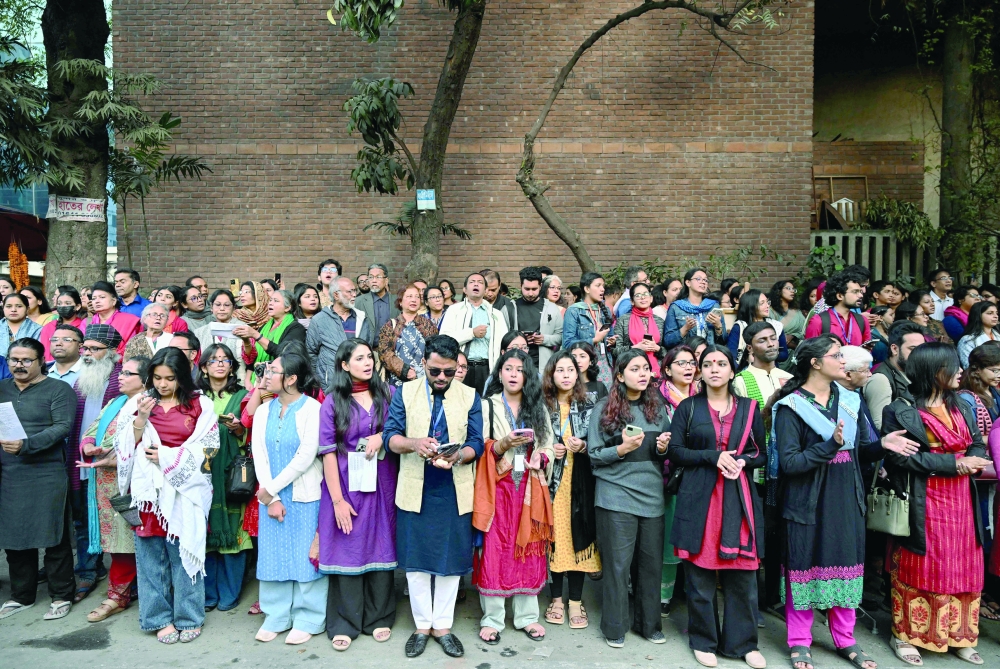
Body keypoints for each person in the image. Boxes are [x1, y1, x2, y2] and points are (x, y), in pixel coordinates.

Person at [772, 335, 919, 669]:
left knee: (847, 565)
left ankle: (845, 639)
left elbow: (862, 452)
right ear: (815, 363)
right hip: (806, 497)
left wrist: (883, 443)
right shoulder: (791, 406)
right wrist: (830, 445)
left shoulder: (851, 400)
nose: (843, 359)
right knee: (802, 565)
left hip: (845, 495)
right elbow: (791, 463)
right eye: (836, 355)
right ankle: (799, 641)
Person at [881, 343, 990, 666]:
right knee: (923, 563)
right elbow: (899, 457)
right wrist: (952, 465)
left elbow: (977, 444)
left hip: (962, 499)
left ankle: (960, 635)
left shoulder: (964, 407)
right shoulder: (901, 409)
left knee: (964, 563)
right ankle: (905, 635)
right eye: (952, 366)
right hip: (923, 497)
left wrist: (974, 460)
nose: (960, 372)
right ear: (932, 371)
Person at [384, 335, 485, 658]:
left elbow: (477, 442)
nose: (441, 378)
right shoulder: (405, 392)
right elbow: (390, 438)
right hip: (416, 486)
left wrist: (461, 456)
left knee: (451, 560)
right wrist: (414, 444)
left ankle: (443, 626)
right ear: (423, 364)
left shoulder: (470, 395)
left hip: (453, 488)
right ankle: (421, 625)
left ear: (458, 367)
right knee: (415, 562)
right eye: (434, 371)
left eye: (448, 371)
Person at [668, 345, 767, 669]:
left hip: (738, 500)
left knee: (743, 577)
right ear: (700, 370)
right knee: (700, 577)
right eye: (707, 364)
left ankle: (743, 644)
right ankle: (703, 640)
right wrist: (713, 457)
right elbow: (677, 451)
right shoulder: (689, 408)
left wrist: (741, 461)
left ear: (731, 369)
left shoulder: (750, 409)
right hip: (700, 499)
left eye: (720, 363)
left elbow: (760, 454)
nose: (713, 369)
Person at [114, 347, 216, 643]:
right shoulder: (139, 402)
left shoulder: (200, 404)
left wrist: (168, 457)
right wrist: (141, 419)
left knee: (184, 554)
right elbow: (123, 447)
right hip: (149, 494)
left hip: (185, 490)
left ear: (182, 377)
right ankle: (158, 618)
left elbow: (209, 449)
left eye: (169, 378)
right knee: (150, 557)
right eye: (157, 378)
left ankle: (189, 617)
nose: (162, 385)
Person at [587, 350, 671, 648]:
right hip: (615, 496)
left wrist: (662, 448)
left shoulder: (658, 408)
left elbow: (664, 456)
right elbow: (594, 456)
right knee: (618, 567)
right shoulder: (603, 409)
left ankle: (649, 625)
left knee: (650, 566)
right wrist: (621, 449)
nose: (642, 373)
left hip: (651, 495)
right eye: (634, 368)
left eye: (646, 368)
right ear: (620, 375)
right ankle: (614, 627)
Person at [318, 339, 397, 651]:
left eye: (370, 357)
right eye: (359, 358)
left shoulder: (387, 394)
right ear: (344, 365)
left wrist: (380, 435)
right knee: (347, 546)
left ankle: (379, 617)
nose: (367, 362)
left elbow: (398, 428)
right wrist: (337, 500)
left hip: (382, 483)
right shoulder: (332, 401)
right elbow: (326, 453)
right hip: (346, 485)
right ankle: (345, 622)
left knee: (381, 542)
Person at [473, 350, 554, 644]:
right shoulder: (488, 406)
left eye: (519, 370)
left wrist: (541, 461)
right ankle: (492, 618)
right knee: (495, 549)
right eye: (507, 368)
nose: (513, 374)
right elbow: (479, 446)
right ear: (499, 373)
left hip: (529, 488)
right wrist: (502, 444)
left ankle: (527, 617)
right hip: (499, 487)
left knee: (529, 549)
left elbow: (547, 445)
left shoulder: (537, 407)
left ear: (527, 376)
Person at [251, 350, 326, 644]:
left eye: (273, 371)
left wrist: (272, 490)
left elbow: (306, 456)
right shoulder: (262, 411)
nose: (266, 375)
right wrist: (270, 496)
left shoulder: (312, 409)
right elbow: (260, 455)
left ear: (292, 379)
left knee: (304, 557)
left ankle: (309, 617)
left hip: (305, 494)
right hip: (272, 496)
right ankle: (277, 615)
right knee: (273, 556)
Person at [0, 338, 78, 621]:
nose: (19, 365)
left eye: (25, 360)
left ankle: (61, 595)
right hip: (9, 472)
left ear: (40, 361)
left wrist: (27, 444)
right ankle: (22, 595)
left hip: (46, 471)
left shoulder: (59, 389)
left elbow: (62, 427)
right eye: (14, 359)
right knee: (14, 535)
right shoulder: (2, 388)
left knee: (53, 534)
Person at [77, 355, 150, 622]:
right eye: (122, 372)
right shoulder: (114, 402)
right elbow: (93, 429)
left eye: (129, 373)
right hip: (105, 482)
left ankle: (117, 595)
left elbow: (145, 442)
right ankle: (124, 592)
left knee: (131, 541)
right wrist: (88, 447)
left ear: (144, 380)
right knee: (116, 543)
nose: (121, 376)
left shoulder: (148, 405)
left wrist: (112, 454)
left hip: (133, 482)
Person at [733, 322, 792, 618]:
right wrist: (769, 407)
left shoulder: (789, 377)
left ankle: (777, 595)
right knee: (761, 532)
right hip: (759, 468)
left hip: (788, 466)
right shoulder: (742, 380)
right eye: (763, 340)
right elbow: (745, 426)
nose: (771, 344)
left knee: (782, 532)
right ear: (750, 347)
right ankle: (759, 597)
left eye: (773, 338)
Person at [541, 351, 600, 630]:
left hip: (581, 483)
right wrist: (549, 450)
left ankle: (575, 600)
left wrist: (585, 447)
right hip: (552, 482)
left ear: (578, 374)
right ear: (551, 375)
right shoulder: (542, 405)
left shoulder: (591, 403)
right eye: (560, 370)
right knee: (556, 539)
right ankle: (556, 599)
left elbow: (601, 443)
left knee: (579, 538)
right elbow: (533, 441)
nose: (565, 375)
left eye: (570, 370)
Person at [69, 324, 125, 603]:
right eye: (85, 348)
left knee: (113, 519)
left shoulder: (120, 379)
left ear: (112, 353)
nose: (87, 354)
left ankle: (121, 582)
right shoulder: (81, 377)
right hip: (81, 457)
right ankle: (88, 571)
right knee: (82, 517)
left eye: (94, 349)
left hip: (110, 462)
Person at [195, 344, 251, 613]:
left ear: (232, 366)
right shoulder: (194, 397)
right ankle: (208, 593)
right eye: (213, 360)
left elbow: (251, 434)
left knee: (234, 533)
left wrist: (239, 428)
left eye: (225, 359)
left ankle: (229, 593)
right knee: (203, 531)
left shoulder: (243, 395)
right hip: (198, 473)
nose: (220, 363)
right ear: (203, 366)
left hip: (230, 474)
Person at [439, 272, 508, 394]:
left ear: (486, 290)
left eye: (480, 282)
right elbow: (444, 339)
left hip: (487, 368)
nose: (476, 284)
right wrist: (471, 333)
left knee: (485, 405)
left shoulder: (496, 314)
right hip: (460, 368)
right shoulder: (454, 310)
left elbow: (504, 343)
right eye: (472, 282)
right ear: (465, 289)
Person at [308, 277, 373, 391]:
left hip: (359, 383)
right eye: (349, 291)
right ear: (336, 295)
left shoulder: (362, 318)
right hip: (331, 385)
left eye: (354, 290)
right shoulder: (319, 320)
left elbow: (368, 347)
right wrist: (320, 380)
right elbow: (311, 353)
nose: (354, 295)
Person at [236, 289, 307, 385]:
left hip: (280, 381)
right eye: (270, 300)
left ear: (287, 308)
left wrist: (256, 335)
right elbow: (252, 358)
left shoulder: (296, 329)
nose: (271, 303)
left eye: (276, 301)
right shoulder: (264, 326)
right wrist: (248, 380)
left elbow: (282, 353)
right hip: (257, 380)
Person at [864, 321, 924, 431]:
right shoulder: (881, 379)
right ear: (894, 349)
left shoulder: (916, 372)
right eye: (912, 349)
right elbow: (880, 425)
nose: (919, 353)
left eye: (921, 349)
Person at [377, 283, 440, 387]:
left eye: (417, 297)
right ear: (400, 301)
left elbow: (435, 350)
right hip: (396, 381)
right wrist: (405, 371)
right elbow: (385, 353)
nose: (414, 300)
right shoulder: (390, 325)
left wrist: (423, 371)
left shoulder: (428, 325)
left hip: (423, 379)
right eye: (409, 296)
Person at [503, 267, 564, 371]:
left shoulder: (552, 308)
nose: (530, 293)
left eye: (534, 289)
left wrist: (544, 339)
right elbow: (501, 338)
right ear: (521, 286)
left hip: (543, 367)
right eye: (527, 289)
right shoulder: (509, 308)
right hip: (516, 366)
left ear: (540, 286)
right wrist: (518, 338)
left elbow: (561, 337)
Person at [562, 272, 615, 388]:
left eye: (603, 286)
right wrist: (593, 340)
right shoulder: (574, 311)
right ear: (586, 289)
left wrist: (612, 341)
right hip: (582, 366)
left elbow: (610, 337)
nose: (602, 289)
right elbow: (567, 343)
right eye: (598, 285)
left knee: (604, 401)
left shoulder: (605, 309)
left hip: (604, 365)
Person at [193, 289, 247, 384]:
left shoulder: (243, 328)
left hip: (238, 380)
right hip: (207, 382)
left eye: (226, 305)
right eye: (217, 305)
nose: (222, 309)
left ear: (234, 307)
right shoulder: (200, 332)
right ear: (211, 307)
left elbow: (250, 358)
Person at [663, 268, 726, 347]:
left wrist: (718, 327)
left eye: (705, 280)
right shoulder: (676, 307)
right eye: (698, 279)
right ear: (688, 282)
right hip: (686, 356)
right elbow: (667, 341)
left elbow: (724, 341)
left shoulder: (713, 306)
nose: (703, 282)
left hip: (708, 355)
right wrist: (685, 328)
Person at [804, 272, 871, 346]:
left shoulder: (862, 321)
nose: (861, 295)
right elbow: (809, 353)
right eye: (855, 292)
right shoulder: (819, 321)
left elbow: (867, 354)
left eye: (861, 292)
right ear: (839, 296)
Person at [612, 283, 664, 375]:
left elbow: (667, 351)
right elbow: (615, 351)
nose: (642, 297)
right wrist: (635, 348)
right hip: (631, 369)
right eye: (638, 295)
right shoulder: (623, 320)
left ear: (651, 298)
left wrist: (657, 348)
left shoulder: (659, 321)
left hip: (657, 370)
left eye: (645, 294)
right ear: (632, 301)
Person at [728, 289, 788, 366]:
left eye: (767, 302)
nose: (767, 306)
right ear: (751, 305)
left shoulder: (776, 325)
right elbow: (731, 355)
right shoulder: (740, 326)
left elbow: (784, 354)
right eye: (762, 303)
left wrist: (763, 355)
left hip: (771, 370)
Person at [86, 281, 141, 355]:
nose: (97, 301)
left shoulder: (130, 320)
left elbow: (133, 347)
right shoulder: (86, 322)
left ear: (114, 301)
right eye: (94, 298)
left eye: (102, 297)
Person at [41, 285, 87, 362]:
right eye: (59, 303)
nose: (62, 306)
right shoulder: (49, 326)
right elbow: (45, 352)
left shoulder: (83, 326)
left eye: (67, 303)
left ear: (77, 306)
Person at [355, 263, 398, 336]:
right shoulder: (358, 301)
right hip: (367, 346)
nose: (374, 280)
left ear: (386, 281)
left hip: (392, 346)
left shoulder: (397, 301)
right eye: (371, 277)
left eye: (378, 277)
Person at [957, 300, 1000, 367]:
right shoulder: (967, 340)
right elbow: (968, 366)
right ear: (978, 315)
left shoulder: (998, 335)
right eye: (990, 313)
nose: (996, 316)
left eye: (996, 313)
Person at [0, 292, 42, 358]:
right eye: (9, 306)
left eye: (19, 306)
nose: (13, 310)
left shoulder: (38, 329)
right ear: (3, 308)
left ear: (27, 309)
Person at [769, 280, 805, 351]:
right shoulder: (770, 311)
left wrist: (793, 336)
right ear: (779, 291)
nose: (792, 291)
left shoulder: (797, 312)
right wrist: (786, 342)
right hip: (776, 352)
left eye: (793, 289)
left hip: (795, 354)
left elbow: (804, 330)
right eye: (788, 288)